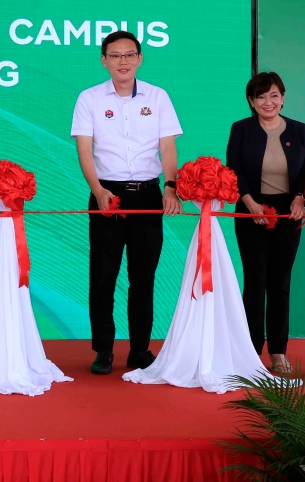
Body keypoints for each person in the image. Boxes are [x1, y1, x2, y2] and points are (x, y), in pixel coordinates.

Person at [71, 30, 182, 375]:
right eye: (115, 56)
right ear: (104, 60)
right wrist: (98, 189)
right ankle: (103, 349)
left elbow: (167, 147)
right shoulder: (89, 99)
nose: (123, 61)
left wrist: (171, 187)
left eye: (129, 55)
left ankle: (139, 349)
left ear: (140, 58)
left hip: (148, 195)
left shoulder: (158, 97)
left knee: (143, 276)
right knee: (102, 277)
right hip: (107, 196)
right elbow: (84, 150)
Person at [226, 71, 305, 374]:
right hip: (251, 209)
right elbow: (234, 170)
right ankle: (250, 352)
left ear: (283, 98)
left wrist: (300, 198)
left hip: (289, 212)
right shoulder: (241, 129)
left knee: (280, 284)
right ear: (251, 101)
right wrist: (250, 203)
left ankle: (278, 353)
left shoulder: (302, 131)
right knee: (255, 281)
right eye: (261, 96)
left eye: (274, 95)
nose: (268, 102)